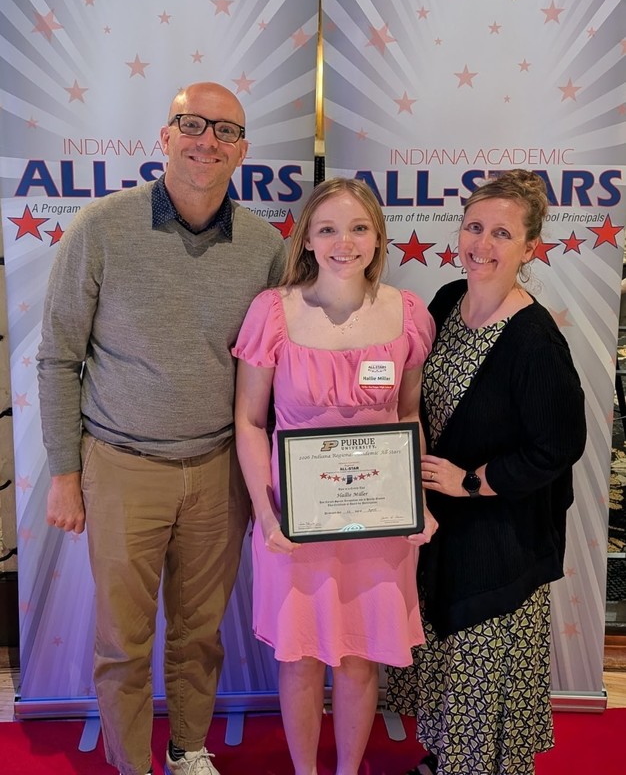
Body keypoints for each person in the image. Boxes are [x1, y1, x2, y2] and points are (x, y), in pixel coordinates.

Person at [36, 82, 286, 775]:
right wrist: (64, 473)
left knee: (200, 634)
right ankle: (131, 763)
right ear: (166, 135)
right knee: (122, 639)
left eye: (224, 130)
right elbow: (59, 356)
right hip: (120, 465)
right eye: (191, 123)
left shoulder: (266, 246)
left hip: (218, 470)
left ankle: (187, 749)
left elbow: (277, 367)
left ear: (243, 150)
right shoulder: (101, 228)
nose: (207, 139)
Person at [233, 177, 438, 775]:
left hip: (378, 523)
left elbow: (406, 415)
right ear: (307, 240)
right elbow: (249, 422)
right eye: (327, 228)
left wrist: (415, 502)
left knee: (358, 659)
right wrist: (265, 514)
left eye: (357, 228)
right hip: (293, 522)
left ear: (377, 237)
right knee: (298, 659)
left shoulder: (408, 315)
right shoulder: (273, 313)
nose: (342, 242)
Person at [385, 169, 587, 775]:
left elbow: (560, 446)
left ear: (529, 249)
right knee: (445, 659)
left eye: (502, 233)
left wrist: (472, 481)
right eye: (475, 227)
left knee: (479, 664)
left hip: (501, 537)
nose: (483, 243)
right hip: (443, 531)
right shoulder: (447, 301)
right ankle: (447, 759)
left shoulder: (534, 341)